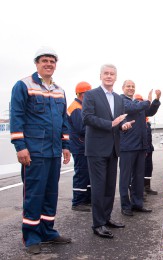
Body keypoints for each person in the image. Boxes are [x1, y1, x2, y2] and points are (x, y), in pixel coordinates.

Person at [10, 46, 72, 255]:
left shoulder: (59, 90)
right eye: (44, 60)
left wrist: (65, 146)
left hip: (54, 152)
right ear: (36, 63)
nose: (48, 64)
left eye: (52, 61)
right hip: (34, 152)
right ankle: (32, 236)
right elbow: (17, 116)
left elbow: (64, 120)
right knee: (34, 195)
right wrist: (21, 147)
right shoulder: (24, 85)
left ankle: (48, 231)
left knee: (50, 194)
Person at [82, 64, 133, 239]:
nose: (109, 76)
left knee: (110, 187)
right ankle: (98, 224)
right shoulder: (90, 95)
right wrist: (110, 124)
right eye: (106, 73)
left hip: (113, 148)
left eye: (112, 74)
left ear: (116, 77)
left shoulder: (119, 99)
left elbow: (117, 123)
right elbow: (87, 118)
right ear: (100, 75)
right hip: (96, 149)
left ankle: (107, 218)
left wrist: (122, 126)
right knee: (98, 187)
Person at [119, 80, 161, 216]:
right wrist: (146, 102)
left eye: (132, 86)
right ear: (123, 88)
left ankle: (137, 203)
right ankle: (125, 206)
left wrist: (155, 100)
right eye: (128, 86)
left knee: (138, 177)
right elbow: (131, 108)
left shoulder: (138, 104)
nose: (130, 88)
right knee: (125, 178)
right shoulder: (120, 101)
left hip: (140, 147)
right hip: (127, 146)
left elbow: (150, 111)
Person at [67, 81, 92, 212]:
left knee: (87, 173)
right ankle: (78, 202)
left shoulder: (80, 106)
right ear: (83, 94)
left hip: (83, 145)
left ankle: (87, 199)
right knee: (81, 173)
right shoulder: (76, 107)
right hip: (79, 146)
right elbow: (81, 128)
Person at [144, 118, 158, 195]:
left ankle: (147, 187)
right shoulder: (139, 119)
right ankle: (141, 190)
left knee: (149, 169)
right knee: (142, 170)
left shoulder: (147, 122)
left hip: (149, 149)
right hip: (144, 150)